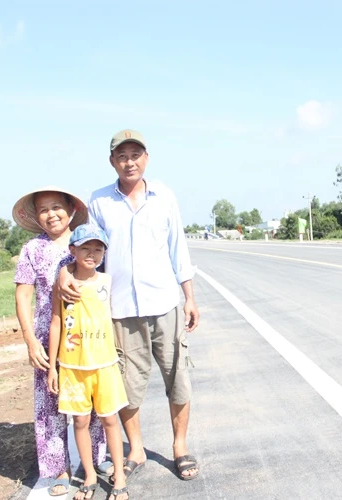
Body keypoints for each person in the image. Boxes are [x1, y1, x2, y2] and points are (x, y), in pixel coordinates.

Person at [59, 128, 201, 481]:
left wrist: (189, 297)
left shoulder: (164, 196)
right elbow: (86, 248)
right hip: (119, 309)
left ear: (146, 158)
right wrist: (65, 271)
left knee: (177, 378)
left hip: (164, 303)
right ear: (112, 162)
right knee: (126, 385)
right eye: (122, 156)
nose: (129, 162)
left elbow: (178, 248)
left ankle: (179, 447)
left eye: (135, 155)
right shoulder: (99, 201)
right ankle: (136, 449)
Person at [12, 187, 111, 497]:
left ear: (71, 210)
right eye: (43, 210)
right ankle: (59, 469)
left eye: (56, 207)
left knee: (92, 402)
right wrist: (30, 340)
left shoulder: (86, 241)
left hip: (87, 338)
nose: (51, 214)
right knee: (50, 405)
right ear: (36, 217)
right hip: (48, 337)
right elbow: (22, 295)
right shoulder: (31, 249)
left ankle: (94, 460)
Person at [48, 224, 129, 500]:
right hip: (72, 367)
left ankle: (119, 476)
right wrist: (53, 367)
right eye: (85, 248)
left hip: (105, 365)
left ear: (104, 253)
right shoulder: (63, 285)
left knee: (110, 420)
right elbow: (56, 323)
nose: (92, 254)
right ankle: (90, 474)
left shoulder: (107, 281)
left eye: (98, 249)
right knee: (80, 422)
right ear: (72, 250)